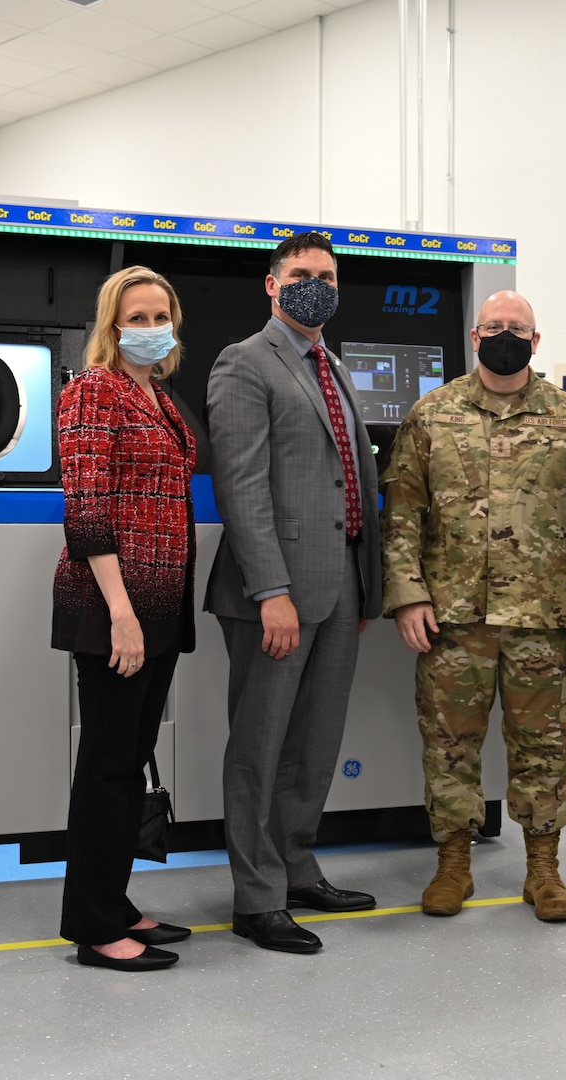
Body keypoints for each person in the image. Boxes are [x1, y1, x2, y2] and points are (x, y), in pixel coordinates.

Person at [381, 290, 566, 922]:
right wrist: (407, 594)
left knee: (544, 747)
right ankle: (453, 865)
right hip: (452, 618)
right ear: (475, 335)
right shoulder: (431, 415)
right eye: (495, 326)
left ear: (536, 341)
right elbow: (402, 513)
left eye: (518, 328)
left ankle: (542, 868)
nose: (506, 335)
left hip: (542, 618)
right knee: (449, 746)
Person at [204, 233, 381, 954]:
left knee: (314, 744)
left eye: (327, 276)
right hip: (272, 590)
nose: (316, 286)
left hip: (338, 583)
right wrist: (270, 589)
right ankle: (255, 898)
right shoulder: (245, 362)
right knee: (260, 745)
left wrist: (363, 587)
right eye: (302, 275)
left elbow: (348, 477)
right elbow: (240, 485)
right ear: (271, 285)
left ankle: (297, 867)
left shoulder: (330, 363)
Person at [53, 266, 197, 972]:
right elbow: (85, 509)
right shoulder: (93, 391)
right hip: (114, 606)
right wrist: (121, 613)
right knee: (108, 767)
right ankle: (93, 925)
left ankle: (115, 901)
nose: (148, 328)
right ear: (110, 328)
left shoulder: (156, 394)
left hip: (159, 600)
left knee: (128, 757)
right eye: (134, 318)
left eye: (158, 315)